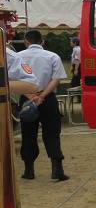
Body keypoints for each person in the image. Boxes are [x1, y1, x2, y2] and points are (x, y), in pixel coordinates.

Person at [17, 30, 69, 181]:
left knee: (28, 134)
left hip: (26, 98)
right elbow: (56, 80)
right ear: (43, 41)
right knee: (52, 133)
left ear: (26, 42)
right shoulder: (52, 56)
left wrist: (31, 96)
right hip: (47, 99)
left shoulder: (17, 57)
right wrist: (42, 96)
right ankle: (57, 171)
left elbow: (13, 79)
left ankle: (29, 171)